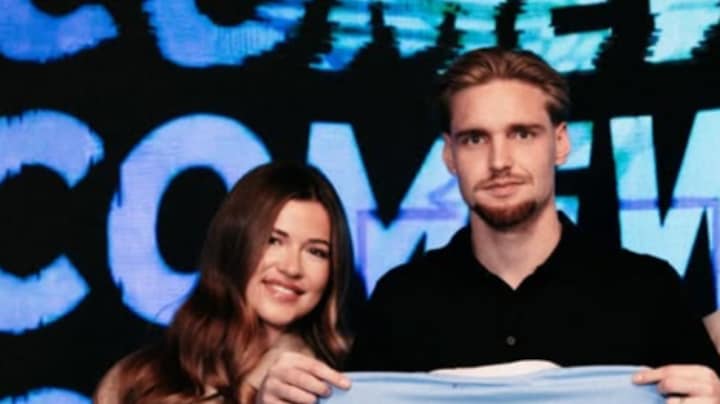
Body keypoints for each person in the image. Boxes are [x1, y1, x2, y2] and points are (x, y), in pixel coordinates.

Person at [255, 47, 720, 403]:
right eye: (475, 139)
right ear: (449, 155)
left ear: (560, 143)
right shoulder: (401, 300)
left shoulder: (648, 290)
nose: (500, 161)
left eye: (522, 134)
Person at [94, 161, 355, 403]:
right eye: (273, 240)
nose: (291, 268)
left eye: (316, 252)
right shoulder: (139, 379)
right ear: (235, 244)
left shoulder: (344, 386)